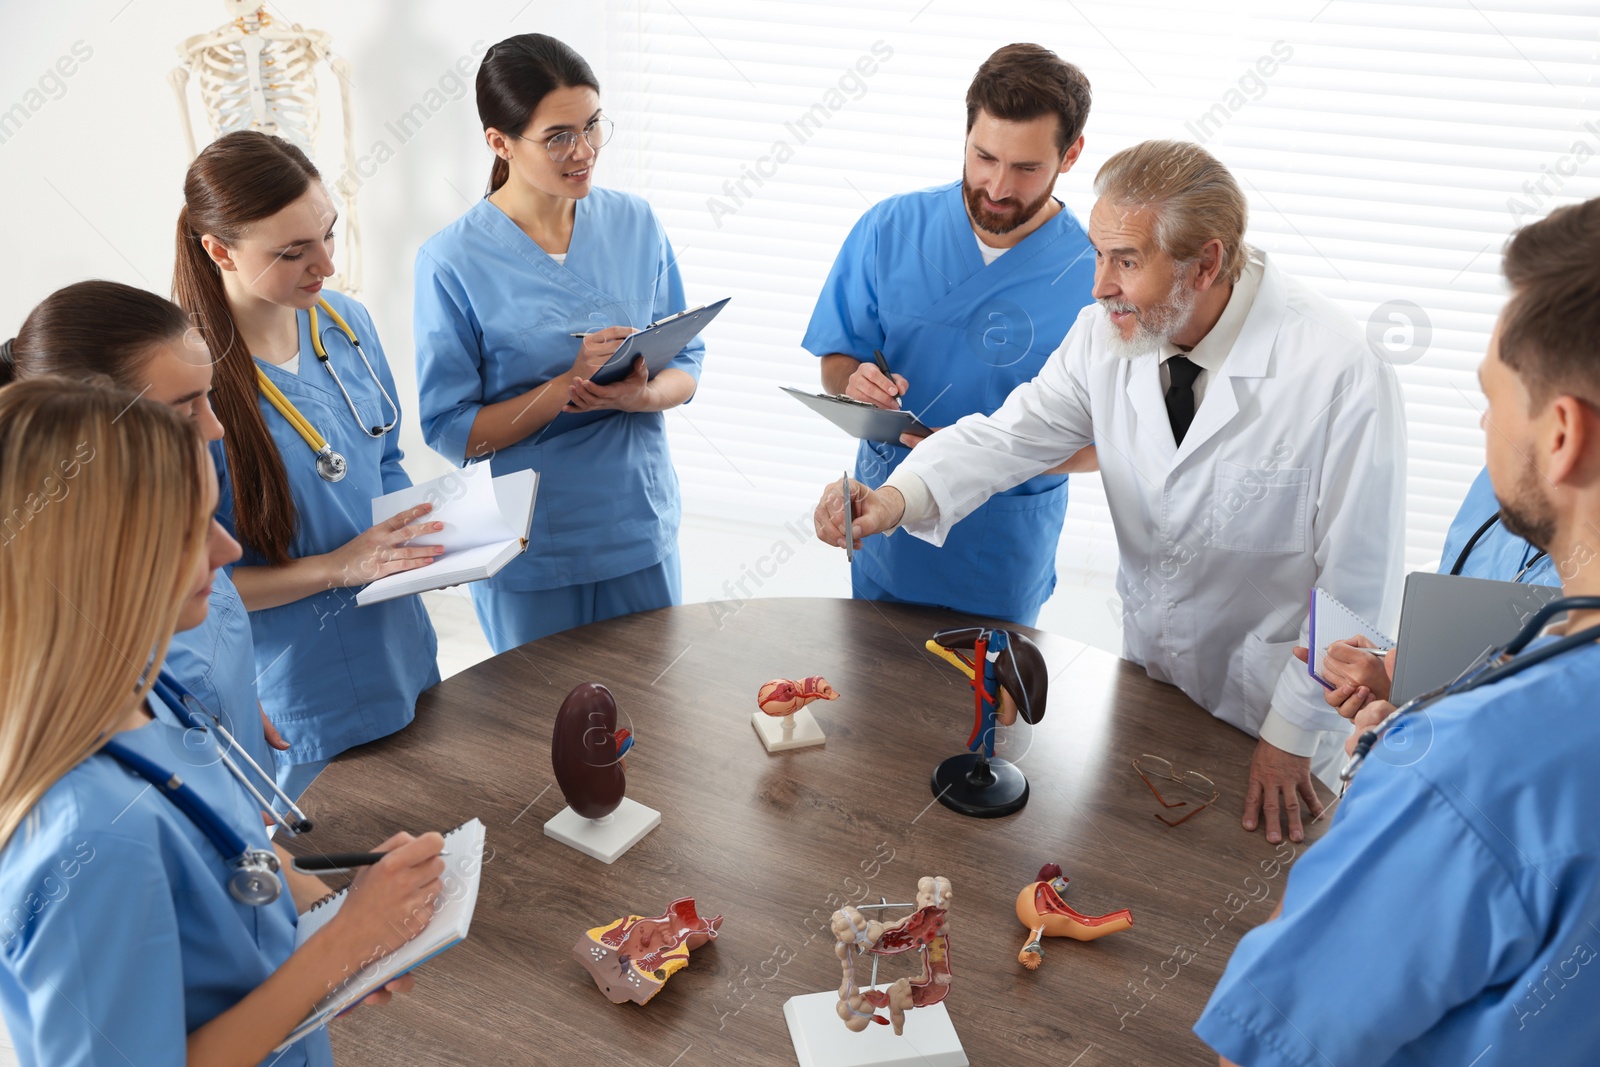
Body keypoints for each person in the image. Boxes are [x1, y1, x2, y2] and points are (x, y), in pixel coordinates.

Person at [815, 140, 1406, 843]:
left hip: (1276, 719)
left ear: (1207, 262)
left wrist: (1291, 734)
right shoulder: (1110, 334)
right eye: (1098, 255)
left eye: (1125, 261)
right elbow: (1012, 435)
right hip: (1151, 681)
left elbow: (1358, 586)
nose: (1098, 285)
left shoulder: (1338, 371)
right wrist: (897, 498)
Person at [1196, 197, 1600, 1067]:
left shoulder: (1464, 771)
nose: (1486, 424)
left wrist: (1401, 780)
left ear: (1562, 433)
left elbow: (1269, 1048)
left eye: (1495, 396)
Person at [0, 377, 444, 1066]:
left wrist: (348, 919)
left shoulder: (155, 692)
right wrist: (340, 946)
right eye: (191, 531)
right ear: (100, 565)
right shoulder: (87, 843)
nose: (230, 550)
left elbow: (237, 847)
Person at [414, 33, 704, 655]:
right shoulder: (451, 260)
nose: (584, 152)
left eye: (593, 126)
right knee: (544, 735)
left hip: (635, 526)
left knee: (654, 724)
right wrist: (563, 384)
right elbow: (454, 432)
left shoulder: (635, 222)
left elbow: (687, 362)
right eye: (558, 137)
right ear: (499, 142)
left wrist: (640, 397)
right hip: (530, 547)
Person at [175, 130, 441, 799]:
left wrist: (428, 540)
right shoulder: (187, 391)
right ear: (219, 251)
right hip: (299, 687)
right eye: (292, 252)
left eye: (328, 232)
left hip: (403, 650)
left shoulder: (345, 321)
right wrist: (337, 567)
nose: (325, 263)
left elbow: (386, 458)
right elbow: (194, 582)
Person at [802, 43, 1098, 626]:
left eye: (1026, 168)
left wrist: (998, 459)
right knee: (875, 697)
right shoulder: (890, 228)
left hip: (1002, 539)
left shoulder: (1096, 273)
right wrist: (854, 384)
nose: (997, 186)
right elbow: (838, 361)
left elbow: (1113, 441)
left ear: (1071, 155)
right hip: (885, 519)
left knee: (987, 706)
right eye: (984, 156)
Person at [2, 279, 284, 783]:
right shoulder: (73, 612)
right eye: (185, 408)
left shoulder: (174, 508)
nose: (215, 428)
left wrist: (228, 692)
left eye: (209, 398)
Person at [1308, 462, 1560, 706]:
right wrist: (1397, 678)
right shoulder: (1492, 480)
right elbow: (1454, 645)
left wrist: (1408, 699)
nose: (1486, 423)